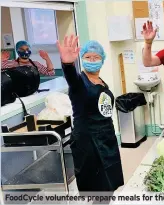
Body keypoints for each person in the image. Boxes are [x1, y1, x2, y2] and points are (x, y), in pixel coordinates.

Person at [56, 35, 124, 200]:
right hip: (89, 143)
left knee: (109, 186)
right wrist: (67, 64)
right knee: (98, 190)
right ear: (82, 58)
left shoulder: (100, 81)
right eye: (88, 57)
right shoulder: (79, 82)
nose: (92, 60)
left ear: (102, 60)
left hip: (107, 139)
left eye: (96, 57)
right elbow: (71, 77)